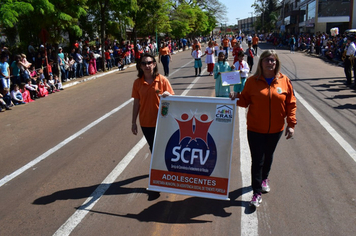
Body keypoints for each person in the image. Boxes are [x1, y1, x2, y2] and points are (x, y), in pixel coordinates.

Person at [230, 50, 297, 208]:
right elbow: (245, 100)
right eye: (267, 60)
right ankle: (257, 192)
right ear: (261, 63)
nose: (270, 63)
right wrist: (235, 96)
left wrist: (291, 124)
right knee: (257, 160)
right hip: (255, 129)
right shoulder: (253, 81)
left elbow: (291, 103)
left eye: (273, 60)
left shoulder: (284, 81)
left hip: (276, 129)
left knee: (269, 156)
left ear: (276, 62)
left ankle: (265, 177)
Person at [131, 53, 174, 152]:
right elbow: (136, 103)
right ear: (140, 66)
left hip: (162, 120)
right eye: (144, 63)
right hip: (146, 122)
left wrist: (169, 96)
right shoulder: (137, 83)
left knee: (165, 147)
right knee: (153, 148)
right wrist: (133, 122)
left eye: (149, 63)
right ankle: (156, 167)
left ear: (154, 64)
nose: (147, 66)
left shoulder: (163, 80)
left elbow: (173, 100)